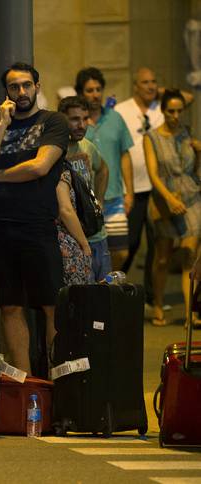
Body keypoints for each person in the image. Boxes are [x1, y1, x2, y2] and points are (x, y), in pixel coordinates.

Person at [0, 62, 69, 374]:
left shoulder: (53, 122)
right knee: (9, 307)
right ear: (7, 93)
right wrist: (1, 126)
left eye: (27, 85)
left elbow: (39, 167)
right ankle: (26, 387)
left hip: (36, 226)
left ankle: (56, 384)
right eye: (15, 87)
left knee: (51, 305)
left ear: (38, 86)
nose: (22, 92)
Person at [115, 67, 194, 306]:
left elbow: (187, 97)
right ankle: (117, 291)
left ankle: (151, 297)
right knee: (131, 242)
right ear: (135, 85)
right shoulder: (122, 109)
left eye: (154, 82)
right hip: (134, 188)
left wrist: (159, 92)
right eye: (145, 83)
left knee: (156, 246)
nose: (150, 86)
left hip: (161, 190)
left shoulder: (161, 107)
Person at [144, 89, 201, 327]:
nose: (175, 115)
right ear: (163, 111)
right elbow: (153, 174)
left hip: (192, 197)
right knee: (163, 258)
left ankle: (190, 312)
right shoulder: (152, 137)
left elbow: (194, 171)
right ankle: (158, 303)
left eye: (179, 111)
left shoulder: (187, 134)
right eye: (171, 111)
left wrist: (198, 154)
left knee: (190, 255)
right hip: (164, 198)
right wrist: (169, 198)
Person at [75, 67, 134, 270]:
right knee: (89, 251)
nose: (95, 94)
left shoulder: (115, 118)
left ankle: (108, 284)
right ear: (81, 93)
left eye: (98, 89)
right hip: (85, 200)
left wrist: (130, 193)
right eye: (89, 90)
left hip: (114, 196)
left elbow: (125, 155)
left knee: (121, 251)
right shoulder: (77, 123)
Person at [58, 95, 111, 282]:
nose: (81, 125)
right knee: (84, 301)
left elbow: (103, 169)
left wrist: (99, 202)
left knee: (105, 293)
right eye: (74, 119)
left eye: (85, 119)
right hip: (73, 239)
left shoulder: (87, 146)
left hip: (98, 234)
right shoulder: (55, 152)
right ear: (62, 119)